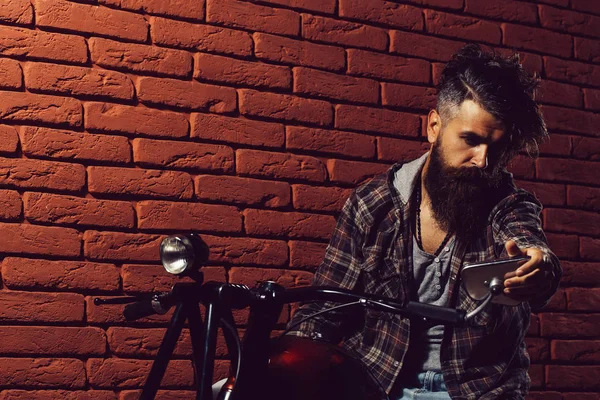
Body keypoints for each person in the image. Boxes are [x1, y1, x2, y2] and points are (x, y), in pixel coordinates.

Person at [286, 44, 562, 400]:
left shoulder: (507, 203)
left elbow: (530, 244)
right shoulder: (373, 204)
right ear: (434, 126)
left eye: (496, 146)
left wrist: (537, 267)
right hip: (378, 383)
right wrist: (286, 368)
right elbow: (326, 308)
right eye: (471, 140)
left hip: (477, 391)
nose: (483, 160)